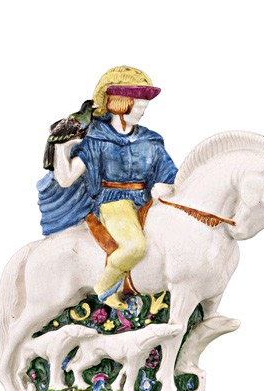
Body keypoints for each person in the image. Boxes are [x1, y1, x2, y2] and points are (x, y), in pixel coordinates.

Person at [41, 66, 177, 310]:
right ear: (121, 104)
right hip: (113, 203)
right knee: (135, 246)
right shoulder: (96, 140)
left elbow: (170, 177)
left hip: (148, 202)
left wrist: (166, 188)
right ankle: (105, 287)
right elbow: (66, 179)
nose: (142, 112)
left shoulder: (151, 140)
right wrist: (62, 148)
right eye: (139, 106)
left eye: (144, 107)